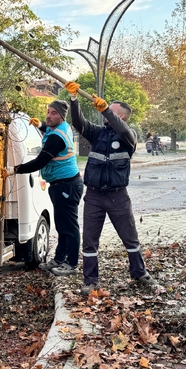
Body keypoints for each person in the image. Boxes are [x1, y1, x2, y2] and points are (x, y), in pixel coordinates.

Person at [64, 81, 154, 295]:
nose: (104, 112)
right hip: (94, 196)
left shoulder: (128, 136)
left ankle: (139, 272)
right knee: (89, 241)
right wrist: (74, 99)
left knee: (129, 237)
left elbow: (122, 128)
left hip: (117, 197)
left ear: (120, 116)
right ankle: (90, 281)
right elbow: (79, 123)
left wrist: (106, 109)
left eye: (110, 111)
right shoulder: (97, 134)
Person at [4, 100, 84, 277]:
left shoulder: (57, 138)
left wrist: (13, 170)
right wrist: (40, 125)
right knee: (62, 225)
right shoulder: (62, 127)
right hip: (62, 184)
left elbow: (40, 162)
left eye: (53, 113)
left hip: (66, 185)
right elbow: (48, 129)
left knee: (69, 227)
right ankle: (59, 259)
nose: (49, 116)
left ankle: (71, 264)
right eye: (48, 112)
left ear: (62, 116)